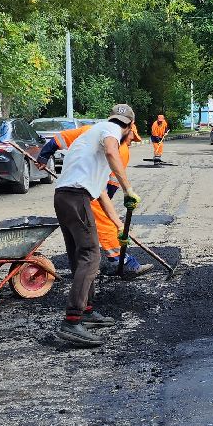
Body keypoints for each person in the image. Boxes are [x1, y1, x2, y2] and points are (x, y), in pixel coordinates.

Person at [52, 104, 139, 347]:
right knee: (91, 256)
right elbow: (113, 152)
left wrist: (119, 224)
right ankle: (72, 321)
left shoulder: (93, 142)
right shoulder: (110, 132)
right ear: (129, 126)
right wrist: (128, 188)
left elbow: (100, 192)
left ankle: (87, 311)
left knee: (80, 256)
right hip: (76, 197)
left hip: (64, 197)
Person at [35, 124, 151, 279]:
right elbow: (109, 187)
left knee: (85, 230)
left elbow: (57, 140)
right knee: (106, 225)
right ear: (127, 130)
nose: (132, 142)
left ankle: (84, 266)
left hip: (75, 187)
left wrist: (44, 156)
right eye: (132, 137)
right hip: (87, 190)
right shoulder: (119, 149)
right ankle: (121, 261)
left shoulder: (91, 130)